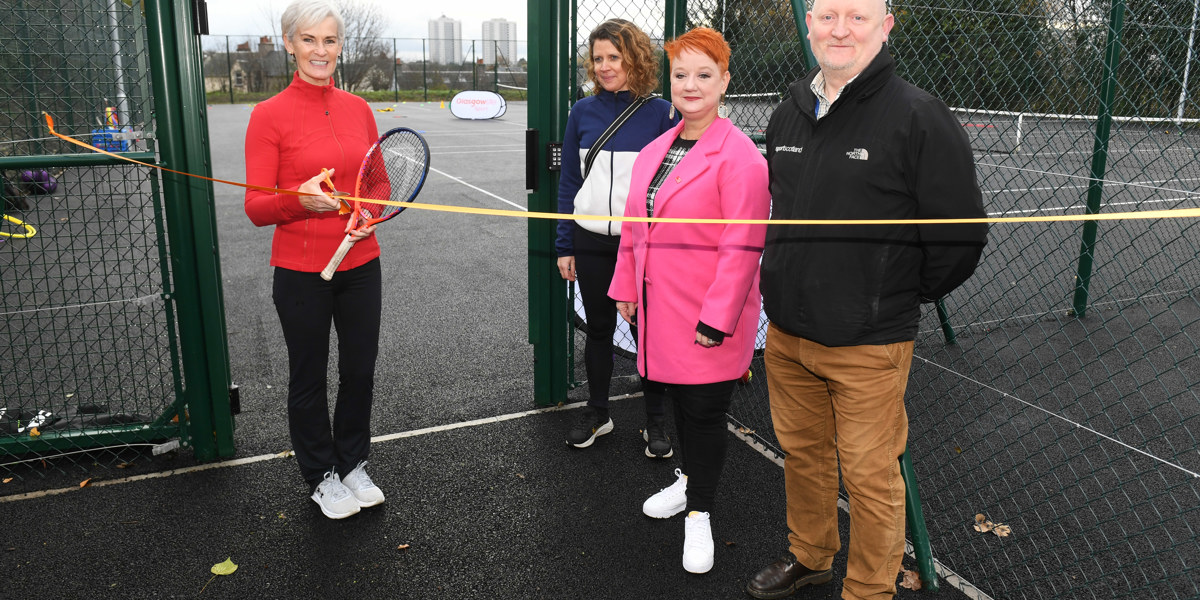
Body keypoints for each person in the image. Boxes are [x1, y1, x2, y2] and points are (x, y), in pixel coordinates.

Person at [746, 0, 988, 596]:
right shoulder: (788, 114)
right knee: (802, 457)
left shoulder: (918, 116)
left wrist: (891, 292)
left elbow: (961, 237)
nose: (841, 29)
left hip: (869, 343)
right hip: (787, 336)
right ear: (809, 25)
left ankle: (868, 590)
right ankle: (811, 554)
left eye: (857, 16)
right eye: (828, 14)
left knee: (870, 478)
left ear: (886, 25)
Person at [608, 27, 770, 574]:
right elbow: (635, 227)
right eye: (681, 74)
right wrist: (626, 288)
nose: (691, 85)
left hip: (706, 317)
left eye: (704, 74)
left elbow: (742, 248)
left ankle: (699, 512)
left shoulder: (742, 157)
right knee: (676, 400)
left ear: (725, 81)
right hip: (659, 311)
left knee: (703, 414)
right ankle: (687, 482)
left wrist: (717, 319)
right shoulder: (657, 147)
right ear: (670, 81)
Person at [243, 0, 386, 521]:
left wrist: (370, 214)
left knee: (359, 372)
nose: (319, 50)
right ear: (289, 44)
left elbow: (378, 185)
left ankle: (352, 463)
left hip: (360, 264)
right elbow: (257, 207)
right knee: (309, 377)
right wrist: (299, 200)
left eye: (329, 40)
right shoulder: (267, 115)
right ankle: (321, 474)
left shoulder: (359, 109)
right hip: (301, 272)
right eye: (309, 40)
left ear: (340, 46)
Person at [556, 19, 677, 456]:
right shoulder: (581, 113)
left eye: (614, 57)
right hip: (590, 241)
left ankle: (656, 422)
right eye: (598, 58)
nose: (605, 66)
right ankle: (598, 412)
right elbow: (569, 182)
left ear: (635, 57)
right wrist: (564, 243)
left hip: (640, 246)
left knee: (650, 332)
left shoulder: (663, 113)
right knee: (600, 329)